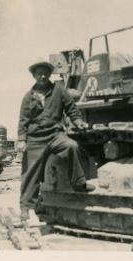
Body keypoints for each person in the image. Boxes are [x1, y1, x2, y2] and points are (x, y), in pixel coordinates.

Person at [18, 59, 96, 221]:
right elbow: (23, 120)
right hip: (36, 139)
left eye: (45, 73)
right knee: (30, 171)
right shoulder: (28, 97)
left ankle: (79, 183)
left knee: (71, 146)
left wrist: (79, 122)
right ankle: (26, 206)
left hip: (55, 135)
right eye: (39, 74)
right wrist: (21, 140)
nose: (42, 77)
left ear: (49, 74)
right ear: (34, 76)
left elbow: (71, 109)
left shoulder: (59, 90)